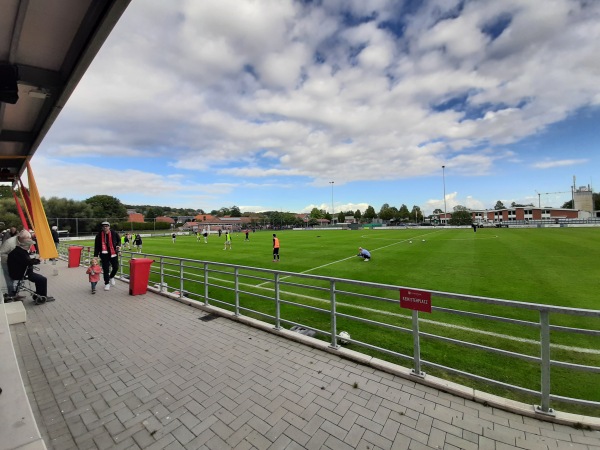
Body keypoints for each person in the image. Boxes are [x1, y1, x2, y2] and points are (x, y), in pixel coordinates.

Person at [8, 233, 55, 303]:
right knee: (42, 279)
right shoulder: (20, 252)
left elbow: (26, 261)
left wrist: (35, 260)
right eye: (30, 245)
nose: (31, 246)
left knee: (41, 278)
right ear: (27, 246)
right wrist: (39, 260)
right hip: (21, 274)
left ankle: (39, 294)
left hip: (21, 272)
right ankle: (42, 296)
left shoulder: (19, 251)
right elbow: (27, 262)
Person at [1, 229, 30, 299]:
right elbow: (1, 252)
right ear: (21, 238)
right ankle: (11, 295)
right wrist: (12, 258)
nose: (28, 240)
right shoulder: (9, 242)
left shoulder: (24, 241)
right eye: (26, 239)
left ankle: (16, 293)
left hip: (16, 262)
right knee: (9, 279)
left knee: (15, 278)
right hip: (6, 262)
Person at [93, 222, 121, 291]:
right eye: (103, 226)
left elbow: (119, 240)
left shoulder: (114, 233)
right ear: (102, 227)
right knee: (106, 269)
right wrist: (95, 255)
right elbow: (96, 246)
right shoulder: (99, 235)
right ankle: (107, 283)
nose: (105, 227)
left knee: (116, 267)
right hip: (104, 254)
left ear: (109, 227)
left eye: (106, 226)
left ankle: (111, 277)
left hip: (113, 253)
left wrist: (118, 246)